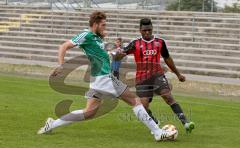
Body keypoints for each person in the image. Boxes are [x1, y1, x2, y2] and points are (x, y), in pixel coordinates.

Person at [37, 11, 177, 141]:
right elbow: (64, 46)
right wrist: (61, 65)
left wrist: (115, 53)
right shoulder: (86, 35)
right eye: (103, 25)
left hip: (98, 80)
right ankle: (158, 132)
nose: (105, 27)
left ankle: (52, 124)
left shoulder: (97, 38)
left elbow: (102, 55)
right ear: (95, 24)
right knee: (135, 101)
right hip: (104, 78)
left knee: (89, 112)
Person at [115, 18, 195, 133]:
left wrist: (178, 74)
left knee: (168, 97)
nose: (147, 32)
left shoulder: (160, 42)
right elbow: (120, 55)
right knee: (144, 106)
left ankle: (186, 123)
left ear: (152, 29)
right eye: (144, 30)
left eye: (149, 30)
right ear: (140, 30)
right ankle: (155, 122)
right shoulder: (135, 43)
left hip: (157, 76)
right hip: (142, 79)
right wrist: (118, 49)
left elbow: (167, 58)